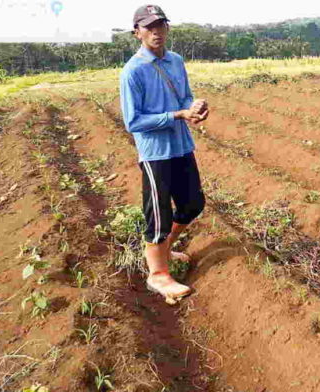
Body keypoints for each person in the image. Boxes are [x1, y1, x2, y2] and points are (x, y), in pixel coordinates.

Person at [119, 4, 209, 305]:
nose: (156, 31)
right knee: (158, 214)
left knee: (193, 203)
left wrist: (193, 110)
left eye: (160, 25)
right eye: (148, 27)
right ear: (137, 32)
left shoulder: (175, 61)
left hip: (181, 146)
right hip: (156, 153)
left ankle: (165, 247)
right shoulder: (133, 70)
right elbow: (133, 121)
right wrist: (176, 115)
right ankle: (158, 274)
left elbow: (184, 96)